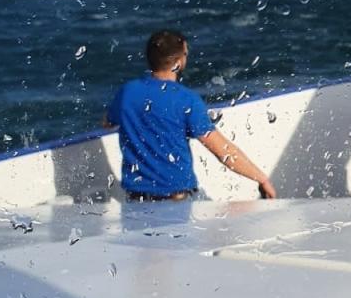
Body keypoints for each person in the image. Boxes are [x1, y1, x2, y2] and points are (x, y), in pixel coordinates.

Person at [104, 29, 276, 201]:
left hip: (136, 199)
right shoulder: (186, 100)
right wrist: (261, 178)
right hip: (176, 199)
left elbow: (108, 122)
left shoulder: (127, 92)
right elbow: (223, 151)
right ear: (178, 63)